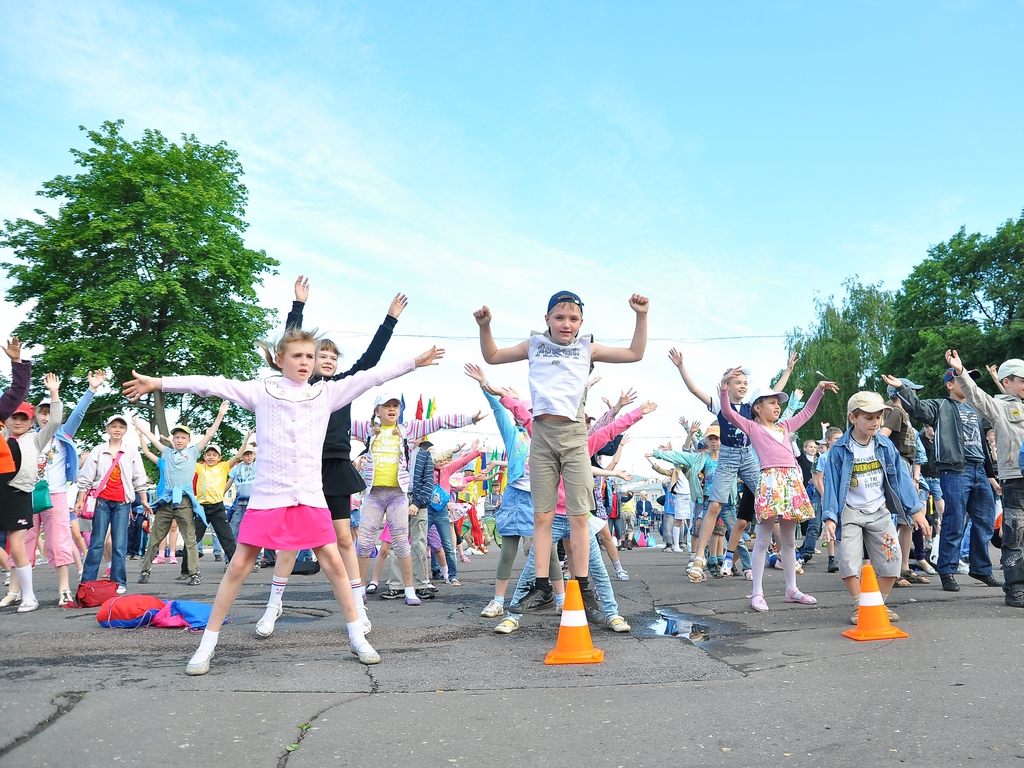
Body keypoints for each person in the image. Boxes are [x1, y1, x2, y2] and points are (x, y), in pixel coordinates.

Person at [123, 327, 443, 674]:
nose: (305, 362)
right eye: (298, 356)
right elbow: (211, 383)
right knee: (238, 568)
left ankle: (357, 636)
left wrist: (415, 362)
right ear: (280, 360)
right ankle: (207, 644)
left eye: (310, 356)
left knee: (335, 564)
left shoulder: (326, 393)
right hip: (268, 498)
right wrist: (158, 383)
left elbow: (372, 376)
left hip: (309, 496)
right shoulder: (260, 391)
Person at [474, 291, 648, 618]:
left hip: (573, 435)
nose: (566, 324)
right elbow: (493, 356)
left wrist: (641, 315)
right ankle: (541, 586)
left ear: (581, 323)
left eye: (573, 319)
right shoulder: (534, 345)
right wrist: (486, 326)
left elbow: (635, 353)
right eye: (559, 317)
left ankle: (581, 586)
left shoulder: (587, 347)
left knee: (579, 515)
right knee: (543, 515)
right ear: (547, 320)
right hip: (541, 435)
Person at [257, 277, 408, 637]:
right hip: (303, 467)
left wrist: (390, 319)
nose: (324, 360)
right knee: (291, 541)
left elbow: (372, 360)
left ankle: (357, 604)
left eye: (331, 356)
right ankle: (273, 605)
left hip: (337, 467)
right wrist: (298, 306)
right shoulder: (300, 385)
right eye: (318, 355)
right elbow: (291, 343)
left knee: (343, 539)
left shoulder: (341, 387)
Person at [668, 348, 797, 583]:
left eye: (745, 382)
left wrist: (788, 370)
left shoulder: (751, 407)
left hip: (748, 456)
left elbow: (774, 391)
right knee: (715, 505)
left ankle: (785, 551)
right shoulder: (720, 404)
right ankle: (699, 558)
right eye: (737, 381)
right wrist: (681, 367)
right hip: (727, 456)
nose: (742, 385)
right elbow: (695, 390)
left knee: (770, 500)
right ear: (726, 383)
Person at [717, 370, 836, 611]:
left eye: (778, 403)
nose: (777, 406)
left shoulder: (785, 427)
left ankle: (792, 589)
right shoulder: (752, 427)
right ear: (758, 407)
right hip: (771, 482)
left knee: (789, 541)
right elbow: (728, 412)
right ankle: (757, 592)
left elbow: (807, 412)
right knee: (762, 539)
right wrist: (722, 388)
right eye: (771, 402)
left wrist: (819, 390)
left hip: (791, 482)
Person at [351, 394, 485, 604]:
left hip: (398, 495)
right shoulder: (366, 430)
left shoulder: (407, 430)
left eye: (395, 405)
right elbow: (335, 422)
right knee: (365, 544)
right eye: (386, 406)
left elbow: (437, 422)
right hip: (374, 495)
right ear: (377, 411)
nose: (392, 409)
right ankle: (358, 590)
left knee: (402, 544)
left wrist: (470, 419)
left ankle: (410, 590)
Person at [883, 367, 1000, 592]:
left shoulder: (975, 409)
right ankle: (947, 569)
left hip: (978, 469)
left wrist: (991, 475)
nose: (967, 384)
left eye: (969, 381)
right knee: (954, 521)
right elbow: (917, 408)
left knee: (985, 520)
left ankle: (981, 568)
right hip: (955, 470)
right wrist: (901, 387)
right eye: (961, 380)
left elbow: (984, 446)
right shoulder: (940, 406)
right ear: (949, 385)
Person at [822, 392, 928, 625]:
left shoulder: (884, 444)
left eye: (878, 417)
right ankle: (859, 604)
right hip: (849, 511)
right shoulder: (839, 450)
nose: (876, 422)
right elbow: (830, 483)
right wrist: (830, 517)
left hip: (879, 510)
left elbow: (900, 476)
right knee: (849, 562)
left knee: (892, 560)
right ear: (853, 418)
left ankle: (877, 603)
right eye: (869, 417)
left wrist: (915, 509)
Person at [19, 369, 105, 606]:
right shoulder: (28, 437)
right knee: (24, 541)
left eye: (50, 412)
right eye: (42, 413)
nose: (46, 417)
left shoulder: (64, 433)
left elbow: (78, 413)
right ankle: (17, 590)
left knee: (59, 541)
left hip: (56, 493)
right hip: (27, 495)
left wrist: (92, 389)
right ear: (35, 416)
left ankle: (64, 589)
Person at [945, 352, 1024, 607]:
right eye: (1022, 380)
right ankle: (1015, 589)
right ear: (1007, 382)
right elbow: (977, 397)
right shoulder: (1001, 407)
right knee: (1015, 536)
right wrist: (961, 373)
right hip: (1016, 480)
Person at [134, 403, 228, 586]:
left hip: (184, 502)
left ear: (188, 440)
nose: (179, 440)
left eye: (183, 438)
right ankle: (145, 570)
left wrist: (220, 415)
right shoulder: (167, 452)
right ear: (173, 439)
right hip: (167, 501)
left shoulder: (193, 452)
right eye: (176, 437)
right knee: (155, 538)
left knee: (190, 538)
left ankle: (194, 573)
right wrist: (139, 425)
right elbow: (152, 438)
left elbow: (209, 434)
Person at [76, 413, 153, 595]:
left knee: (119, 544)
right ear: (108, 429)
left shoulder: (130, 451)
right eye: (114, 426)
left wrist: (144, 500)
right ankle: (87, 582)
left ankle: (118, 581)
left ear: (125, 430)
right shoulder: (98, 450)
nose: (117, 430)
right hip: (102, 500)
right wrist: (80, 499)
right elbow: (86, 477)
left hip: (122, 503)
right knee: (97, 542)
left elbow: (139, 477)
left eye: (121, 427)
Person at [3, 371, 61, 612]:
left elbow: (55, 421)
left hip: (18, 494)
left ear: (31, 421)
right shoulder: (2, 437)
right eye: (13, 417)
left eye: (23, 418)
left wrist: (54, 393)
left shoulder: (36, 439)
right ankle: (13, 592)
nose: (17, 422)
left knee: (17, 547)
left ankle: (29, 596)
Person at [191, 434, 253, 572]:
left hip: (217, 507)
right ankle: (187, 569)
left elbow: (237, 456)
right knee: (193, 538)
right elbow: (186, 459)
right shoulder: (200, 468)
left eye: (214, 455)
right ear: (204, 457)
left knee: (227, 538)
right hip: (201, 508)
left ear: (219, 458)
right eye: (208, 454)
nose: (211, 457)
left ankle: (236, 566)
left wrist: (246, 440)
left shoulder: (224, 467)